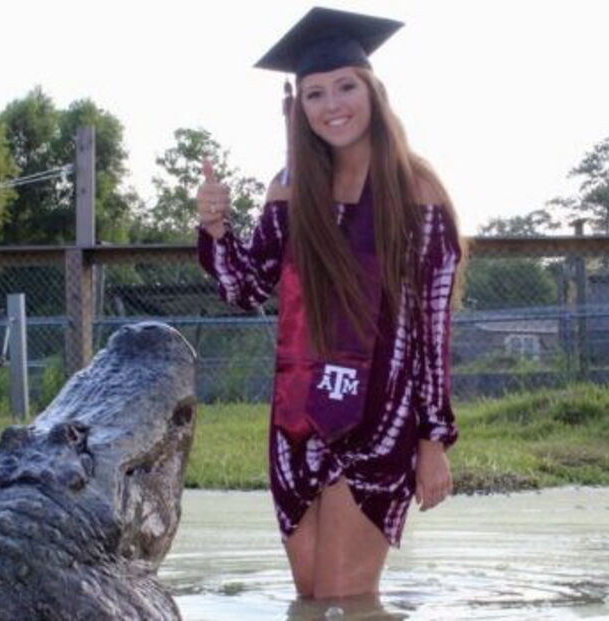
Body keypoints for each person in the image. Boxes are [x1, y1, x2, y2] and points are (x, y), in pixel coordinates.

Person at [195, 7, 465, 601]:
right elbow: (244, 288)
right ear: (300, 106)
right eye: (314, 92)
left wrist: (433, 439)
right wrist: (216, 229)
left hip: (379, 420)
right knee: (313, 600)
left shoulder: (416, 194)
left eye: (346, 85)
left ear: (373, 91)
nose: (332, 104)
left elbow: (432, 329)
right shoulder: (290, 189)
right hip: (296, 423)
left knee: (347, 599)